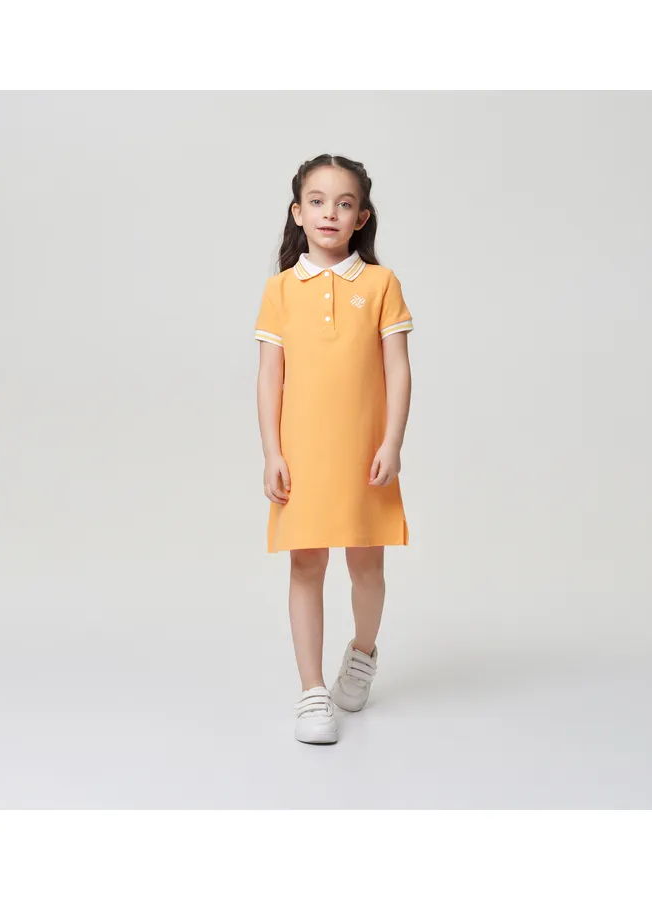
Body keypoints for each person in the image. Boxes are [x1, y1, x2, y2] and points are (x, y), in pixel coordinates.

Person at [254, 154, 414, 744]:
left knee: (367, 565)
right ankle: (311, 690)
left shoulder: (380, 284)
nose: (329, 213)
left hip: (364, 453)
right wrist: (272, 452)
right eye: (317, 202)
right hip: (302, 455)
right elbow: (269, 378)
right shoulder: (280, 290)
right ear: (298, 213)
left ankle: (363, 653)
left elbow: (398, 371)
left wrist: (392, 441)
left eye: (344, 204)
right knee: (305, 564)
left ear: (361, 217)